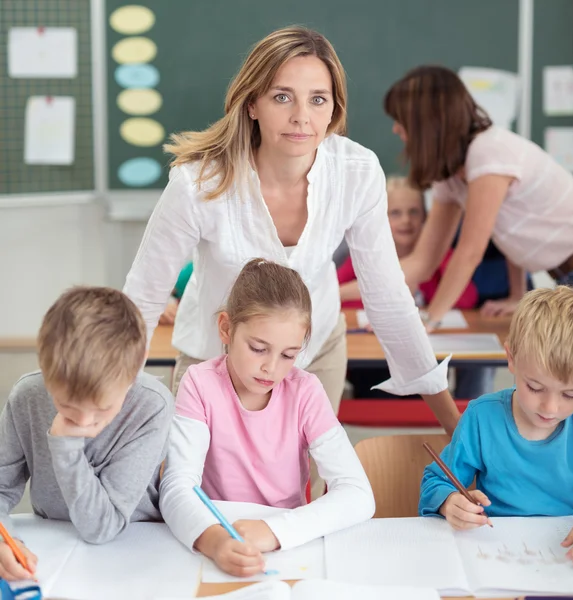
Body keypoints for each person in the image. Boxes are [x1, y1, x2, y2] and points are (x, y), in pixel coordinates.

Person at [123, 27, 460, 442]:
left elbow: (388, 298)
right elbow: (142, 298)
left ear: (333, 109)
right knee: (203, 490)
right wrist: (106, 404)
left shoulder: (356, 172)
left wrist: (452, 423)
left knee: (303, 490)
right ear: (252, 104)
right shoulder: (198, 183)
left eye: (317, 99)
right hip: (215, 358)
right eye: (282, 97)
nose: (302, 116)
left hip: (313, 353)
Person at [160, 259, 374, 577]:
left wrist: (274, 532)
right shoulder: (199, 383)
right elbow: (177, 487)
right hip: (215, 538)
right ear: (226, 328)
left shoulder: (305, 391)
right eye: (258, 348)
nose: (272, 368)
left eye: (289, 355)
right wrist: (215, 540)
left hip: (286, 549)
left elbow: (358, 495)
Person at [384, 65, 573, 332]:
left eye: (400, 119)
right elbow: (424, 261)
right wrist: (517, 294)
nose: (395, 129)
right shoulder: (451, 176)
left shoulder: (488, 152)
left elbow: (470, 252)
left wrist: (430, 319)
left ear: (426, 124)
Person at [0, 287, 174, 582]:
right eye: (66, 406)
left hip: (136, 552)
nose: (82, 422)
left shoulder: (151, 406)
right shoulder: (27, 395)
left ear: (136, 366)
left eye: (102, 408)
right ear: (43, 365)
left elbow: (103, 527)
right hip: (52, 544)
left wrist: (66, 444)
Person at [419, 286, 573, 558]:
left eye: (571, 394)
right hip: (501, 554)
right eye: (535, 387)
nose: (550, 408)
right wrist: (450, 502)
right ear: (511, 359)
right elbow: (436, 481)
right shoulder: (482, 418)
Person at [338, 175, 492, 399]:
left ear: (427, 218)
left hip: (429, 361)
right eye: (396, 213)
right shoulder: (363, 255)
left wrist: (434, 270)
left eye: (414, 212)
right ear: (380, 218)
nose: (406, 221)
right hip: (374, 364)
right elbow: (336, 294)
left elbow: (467, 298)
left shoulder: (438, 255)